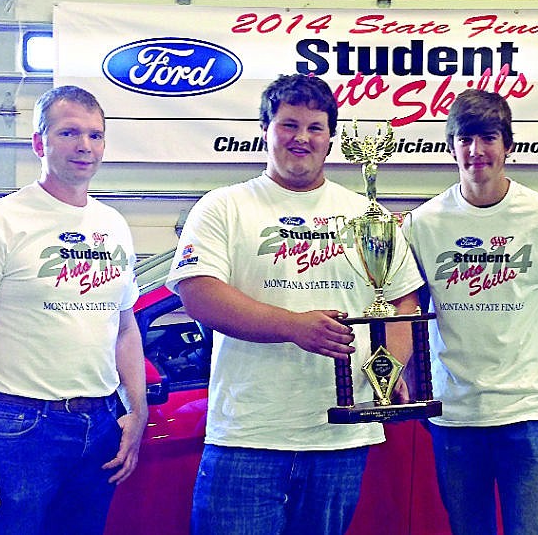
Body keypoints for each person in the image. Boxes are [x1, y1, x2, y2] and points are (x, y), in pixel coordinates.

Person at [166, 73, 424, 535]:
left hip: (342, 433)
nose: (301, 138)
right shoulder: (224, 207)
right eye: (288, 125)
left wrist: (390, 369)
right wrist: (293, 326)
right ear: (265, 129)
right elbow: (198, 290)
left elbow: (402, 298)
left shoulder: (366, 215)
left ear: (330, 139)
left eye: (314, 127)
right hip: (248, 433)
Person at [405, 89, 538, 535]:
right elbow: (406, 312)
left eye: (488, 137)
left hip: (527, 415)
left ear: (507, 144)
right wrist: (408, 382)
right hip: (453, 417)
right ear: (451, 145)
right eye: (465, 138)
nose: (476, 151)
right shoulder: (422, 224)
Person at [0, 85, 148, 535]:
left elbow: (125, 327)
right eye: (69, 133)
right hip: (15, 428)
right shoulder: (0, 222)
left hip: (99, 425)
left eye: (96, 135)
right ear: (39, 142)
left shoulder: (112, 224)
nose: (85, 146)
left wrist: (137, 410)